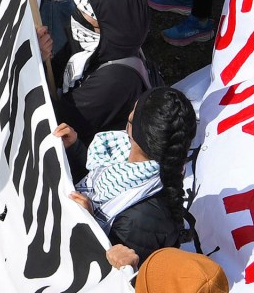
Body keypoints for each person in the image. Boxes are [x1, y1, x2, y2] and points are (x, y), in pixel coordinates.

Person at [70, 86, 200, 264]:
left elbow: (107, 272)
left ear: (137, 132)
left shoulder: (140, 223)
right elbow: (96, 177)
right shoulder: (123, 151)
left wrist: (87, 223)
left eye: (132, 115)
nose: (128, 115)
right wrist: (74, 148)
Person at [51, 0, 155, 170]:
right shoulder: (122, 39)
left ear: (107, 27)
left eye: (85, 19)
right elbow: (68, 55)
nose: (75, 20)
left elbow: (58, 118)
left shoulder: (114, 81)